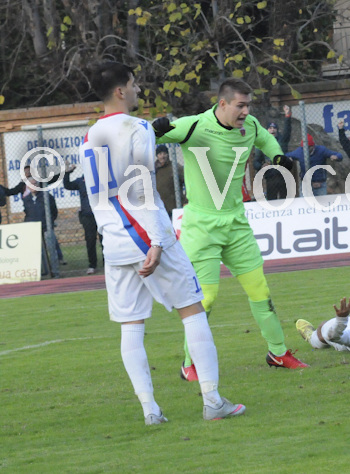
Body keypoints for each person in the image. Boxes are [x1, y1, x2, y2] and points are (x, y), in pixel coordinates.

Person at [83, 61, 245, 424]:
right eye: (134, 84)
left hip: (114, 242)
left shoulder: (89, 136)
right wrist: (157, 241)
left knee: (131, 325)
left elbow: (99, 194)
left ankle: (150, 410)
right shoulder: (137, 127)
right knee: (192, 309)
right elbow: (141, 187)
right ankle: (212, 400)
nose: (138, 89)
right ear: (120, 91)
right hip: (145, 234)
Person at [153, 78, 309, 378]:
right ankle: (189, 364)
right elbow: (157, 134)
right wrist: (157, 129)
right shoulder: (195, 126)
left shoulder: (249, 125)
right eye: (241, 105)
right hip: (202, 226)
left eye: (248, 105)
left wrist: (277, 156)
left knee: (260, 290)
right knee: (206, 298)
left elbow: (265, 139)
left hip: (237, 224)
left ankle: (278, 353)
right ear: (222, 104)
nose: (246, 111)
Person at [13, 164, 63, 275]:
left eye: (35, 184)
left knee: (51, 249)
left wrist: (49, 221)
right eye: (31, 184)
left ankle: (55, 272)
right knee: (37, 251)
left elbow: (54, 211)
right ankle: (42, 272)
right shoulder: (26, 199)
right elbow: (27, 212)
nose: (33, 186)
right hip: (33, 229)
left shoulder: (47, 196)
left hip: (46, 227)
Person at [63, 163, 101, 274]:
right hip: (87, 216)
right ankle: (92, 265)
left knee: (105, 239)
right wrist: (67, 173)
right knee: (90, 241)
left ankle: (108, 263)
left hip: (101, 214)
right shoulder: (81, 181)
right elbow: (67, 185)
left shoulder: (100, 179)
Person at [253, 105, 294, 201]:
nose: (272, 130)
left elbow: (287, 131)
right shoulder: (262, 144)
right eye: (270, 128)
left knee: (285, 199)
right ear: (267, 131)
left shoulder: (282, 141)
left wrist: (287, 116)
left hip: (283, 175)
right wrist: (261, 166)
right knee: (272, 200)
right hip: (270, 176)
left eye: (274, 128)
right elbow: (256, 161)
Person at [155, 145, 185, 217]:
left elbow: (188, 182)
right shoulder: (154, 169)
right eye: (160, 154)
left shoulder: (176, 167)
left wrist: (186, 200)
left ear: (168, 154)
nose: (162, 156)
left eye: (164, 153)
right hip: (160, 207)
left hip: (175, 206)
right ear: (157, 156)